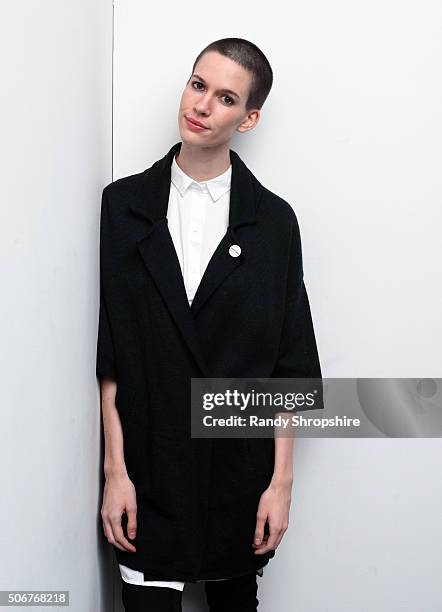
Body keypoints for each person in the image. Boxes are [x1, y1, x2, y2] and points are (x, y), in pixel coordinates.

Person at [96, 37, 322, 611]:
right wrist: (115, 471)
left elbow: (290, 365)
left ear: (248, 119)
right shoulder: (123, 207)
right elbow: (113, 350)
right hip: (147, 473)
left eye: (225, 98)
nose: (201, 106)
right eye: (198, 85)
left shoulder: (273, 222)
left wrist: (281, 484)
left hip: (237, 478)